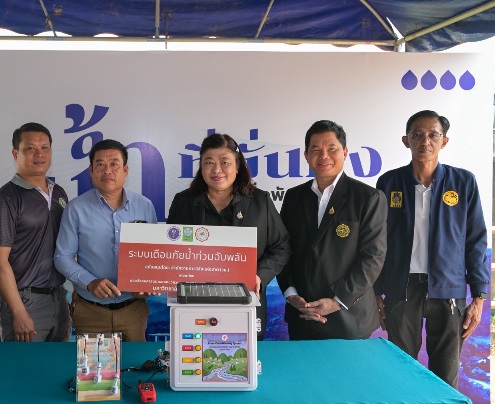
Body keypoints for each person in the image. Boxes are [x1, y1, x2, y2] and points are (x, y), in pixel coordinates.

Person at [374, 110, 489, 388]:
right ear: (406, 140)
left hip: (449, 288)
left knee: (445, 373)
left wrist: (479, 296)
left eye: (433, 135)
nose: (425, 141)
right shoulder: (389, 183)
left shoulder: (463, 182)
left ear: (444, 141)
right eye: (417, 135)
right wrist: (376, 291)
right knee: (402, 369)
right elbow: (377, 241)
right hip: (401, 288)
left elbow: (476, 239)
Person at [166, 133, 291, 340]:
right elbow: (169, 250)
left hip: (246, 302)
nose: (217, 170)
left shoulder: (260, 201)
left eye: (225, 162)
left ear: (238, 166)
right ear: (201, 167)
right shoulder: (183, 202)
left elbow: (281, 246)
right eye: (209, 162)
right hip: (194, 305)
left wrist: (259, 276)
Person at [277, 120, 387, 340]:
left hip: (349, 317)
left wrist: (337, 301)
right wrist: (291, 293)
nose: (324, 156)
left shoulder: (368, 198)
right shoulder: (294, 197)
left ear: (344, 152)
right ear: (306, 156)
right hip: (302, 313)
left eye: (331, 149)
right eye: (316, 150)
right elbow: (282, 249)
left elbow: (372, 258)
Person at [54, 139, 157, 341]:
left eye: (114, 164)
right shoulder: (76, 208)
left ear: (125, 170)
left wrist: (147, 283)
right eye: (100, 164)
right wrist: (89, 282)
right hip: (91, 311)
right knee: (95, 364)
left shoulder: (144, 206)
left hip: (133, 310)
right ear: (91, 171)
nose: (107, 170)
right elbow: (62, 257)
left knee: (135, 361)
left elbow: (153, 255)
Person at [0, 122, 71, 342]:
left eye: (45, 148)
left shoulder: (59, 193)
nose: (39, 154)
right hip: (25, 302)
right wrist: (19, 312)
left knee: (57, 362)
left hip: (59, 298)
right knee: (25, 364)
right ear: (16, 153)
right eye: (30, 148)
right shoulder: (5, 199)